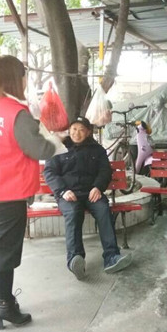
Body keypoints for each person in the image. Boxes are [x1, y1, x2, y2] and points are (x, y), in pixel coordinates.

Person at [0, 55, 64, 330]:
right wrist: (58, 142)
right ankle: (5, 305)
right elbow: (38, 148)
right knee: (4, 250)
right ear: (16, 78)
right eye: (24, 76)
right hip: (6, 191)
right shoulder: (15, 113)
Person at [43, 116, 133, 279]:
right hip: (69, 195)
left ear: (88, 132)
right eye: (74, 129)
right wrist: (63, 191)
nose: (76, 133)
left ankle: (111, 256)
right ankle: (75, 259)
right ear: (69, 130)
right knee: (73, 213)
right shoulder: (59, 148)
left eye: (81, 130)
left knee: (103, 210)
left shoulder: (97, 150)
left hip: (91, 193)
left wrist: (98, 187)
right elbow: (49, 172)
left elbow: (105, 171)